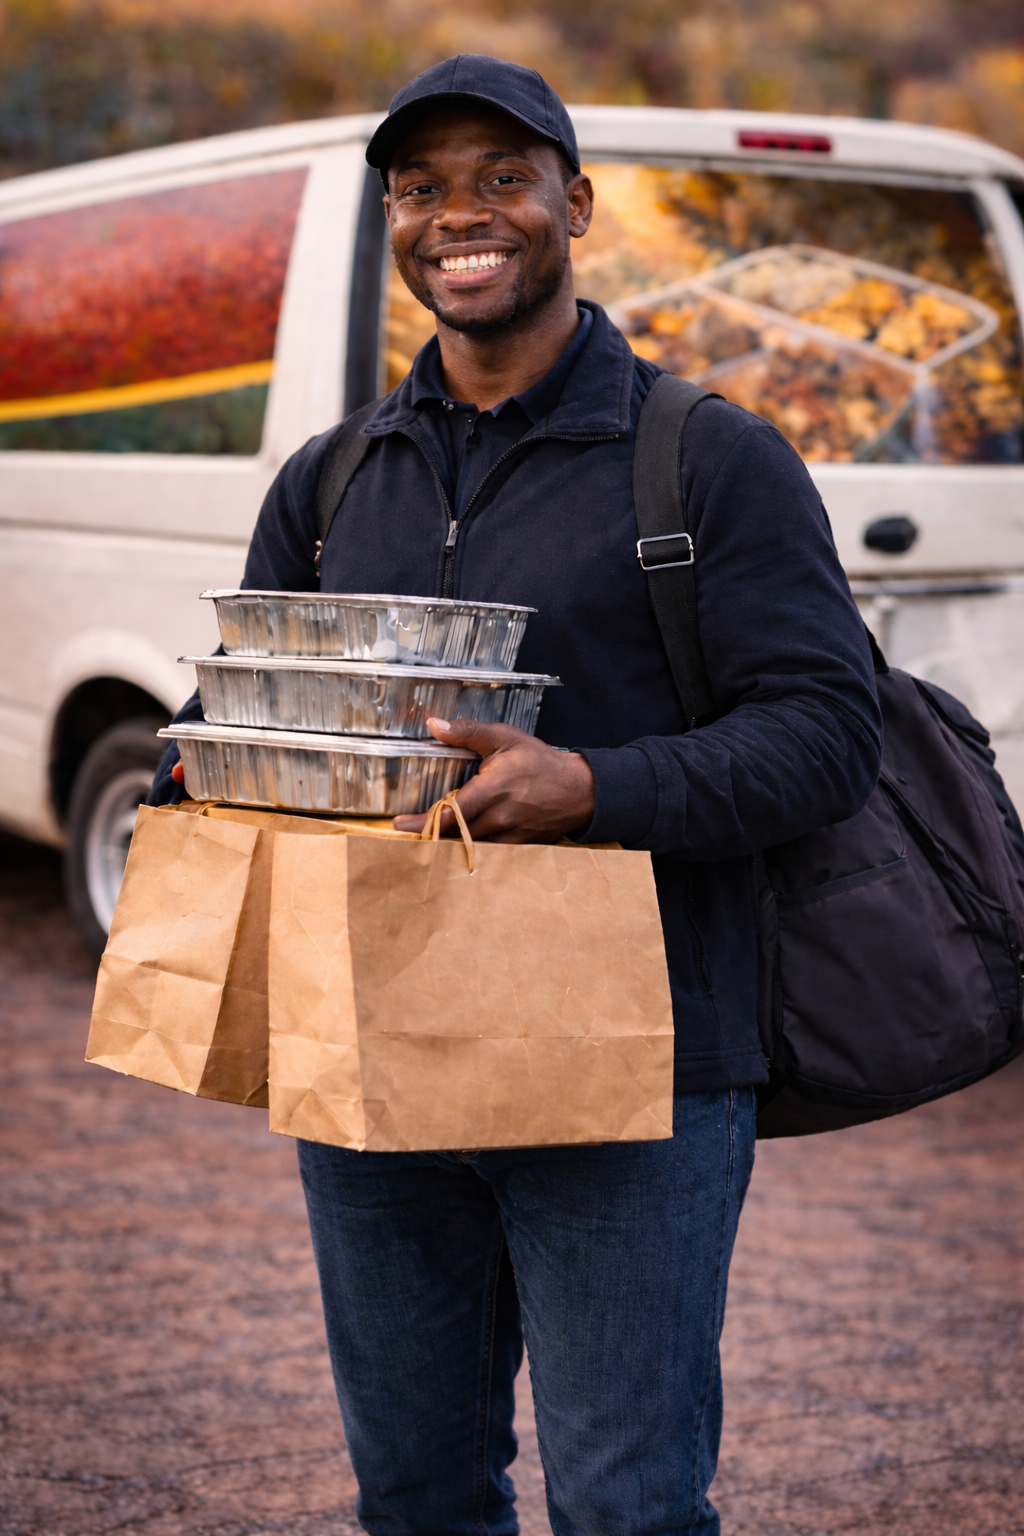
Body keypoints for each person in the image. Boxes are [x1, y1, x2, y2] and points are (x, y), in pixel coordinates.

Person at [151, 55, 881, 1536]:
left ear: (576, 206)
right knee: (415, 1493)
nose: (458, 215)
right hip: (370, 1049)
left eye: (502, 177)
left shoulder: (706, 459)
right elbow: (247, 696)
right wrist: (199, 763)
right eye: (422, 188)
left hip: (637, 1069)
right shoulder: (336, 472)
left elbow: (825, 735)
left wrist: (589, 786)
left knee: (627, 1502)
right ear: (397, 226)